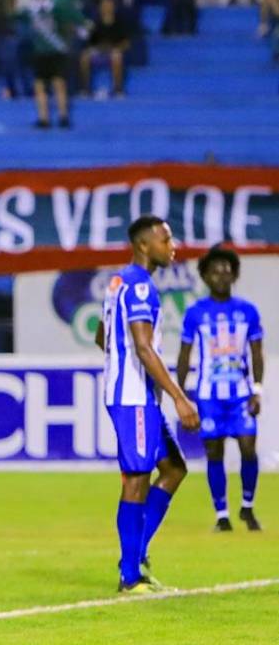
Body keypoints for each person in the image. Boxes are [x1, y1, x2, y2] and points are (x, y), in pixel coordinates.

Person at [94, 215, 200, 593]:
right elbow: (141, 346)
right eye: (165, 239)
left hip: (136, 396)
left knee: (173, 469)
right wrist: (180, 397)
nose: (173, 246)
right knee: (137, 479)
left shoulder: (118, 281)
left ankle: (135, 555)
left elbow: (101, 336)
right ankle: (130, 576)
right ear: (143, 245)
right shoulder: (139, 286)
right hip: (133, 397)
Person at [176, 245, 266, 532]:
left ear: (234, 275)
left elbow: (257, 353)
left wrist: (257, 389)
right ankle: (222, 514)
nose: (221, 277)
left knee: (248, 447)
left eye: (227, 272)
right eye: (215, 272)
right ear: (205, 276)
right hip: (208, 395)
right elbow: (184, 354)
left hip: (240, 393)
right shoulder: (195, 313)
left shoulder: (247, 311)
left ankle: (248, 507)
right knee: (213, 451)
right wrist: (180, 395)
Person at [23, 0, 85, 129]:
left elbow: (74, 22)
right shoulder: (30, 10)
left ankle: (63, 116)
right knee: (39, 85)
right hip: (39, 52)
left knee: (59, 83)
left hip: (57, 50)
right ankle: (43, 118)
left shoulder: (59, 6)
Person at [79, 0, 129, 97]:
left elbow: (126, 43)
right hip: (97, 52)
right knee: (84, 57)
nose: (106, 7)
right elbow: (89, 42)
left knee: (117, 57)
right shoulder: (95, 22)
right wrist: (94, 49)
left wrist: (116, 49)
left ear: (113, 7)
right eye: (104, 5)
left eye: (109, 5)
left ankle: (118, 89)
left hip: (113, 52)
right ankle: (85, 89)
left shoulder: (119, 21)